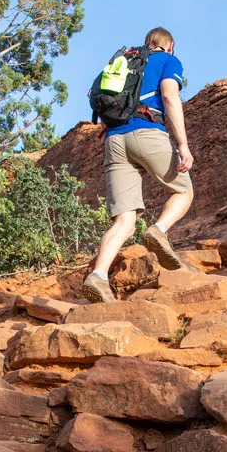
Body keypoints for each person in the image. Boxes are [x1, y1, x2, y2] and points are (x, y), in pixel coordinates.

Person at [82, 27, 194, 303]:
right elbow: (169, 96)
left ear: (147, 43)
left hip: (114, 140)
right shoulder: (169, 60)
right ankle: (159, 230)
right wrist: (183, 145)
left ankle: (98, 275)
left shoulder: (123, 62)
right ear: (170, 45)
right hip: (147, 132)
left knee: (124, 221)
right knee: (183, 191)